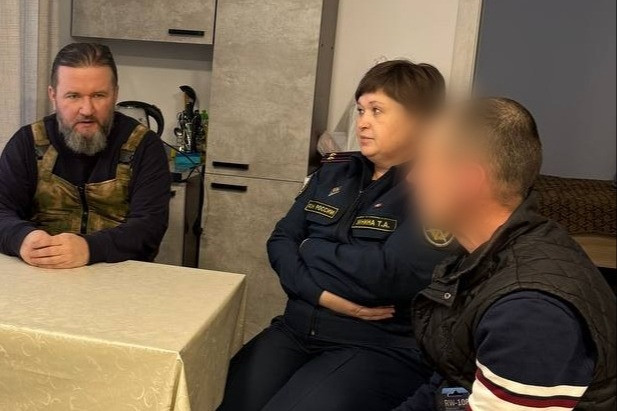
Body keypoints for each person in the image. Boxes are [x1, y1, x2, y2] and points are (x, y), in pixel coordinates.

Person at [218, 60, 455, 411]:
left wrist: (309, 247)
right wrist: (321, 295)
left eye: (377, 111)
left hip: (376, 345)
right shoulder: (335, 171)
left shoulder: (435, 187)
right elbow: (280, 242)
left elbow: (388, 274)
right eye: (360, 110)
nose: (362, 122)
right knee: (223, 399)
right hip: (297, 327)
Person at [396, 97, 616, 410]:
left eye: (425, 162)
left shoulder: (530, 315)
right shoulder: (482, 255)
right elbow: (451, 383)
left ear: (467, 180)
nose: (412, 177)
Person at [0, 43, 171, 268]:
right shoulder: (28, 142)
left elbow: (150, 227)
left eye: (99, 95)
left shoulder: (144, 146)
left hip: (122, 277)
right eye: (73, 96)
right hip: (41, 275)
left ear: (115, 94)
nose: (87, 110)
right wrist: (22, 238)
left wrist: (89, 248)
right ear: (53, 95)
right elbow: (2, 210)